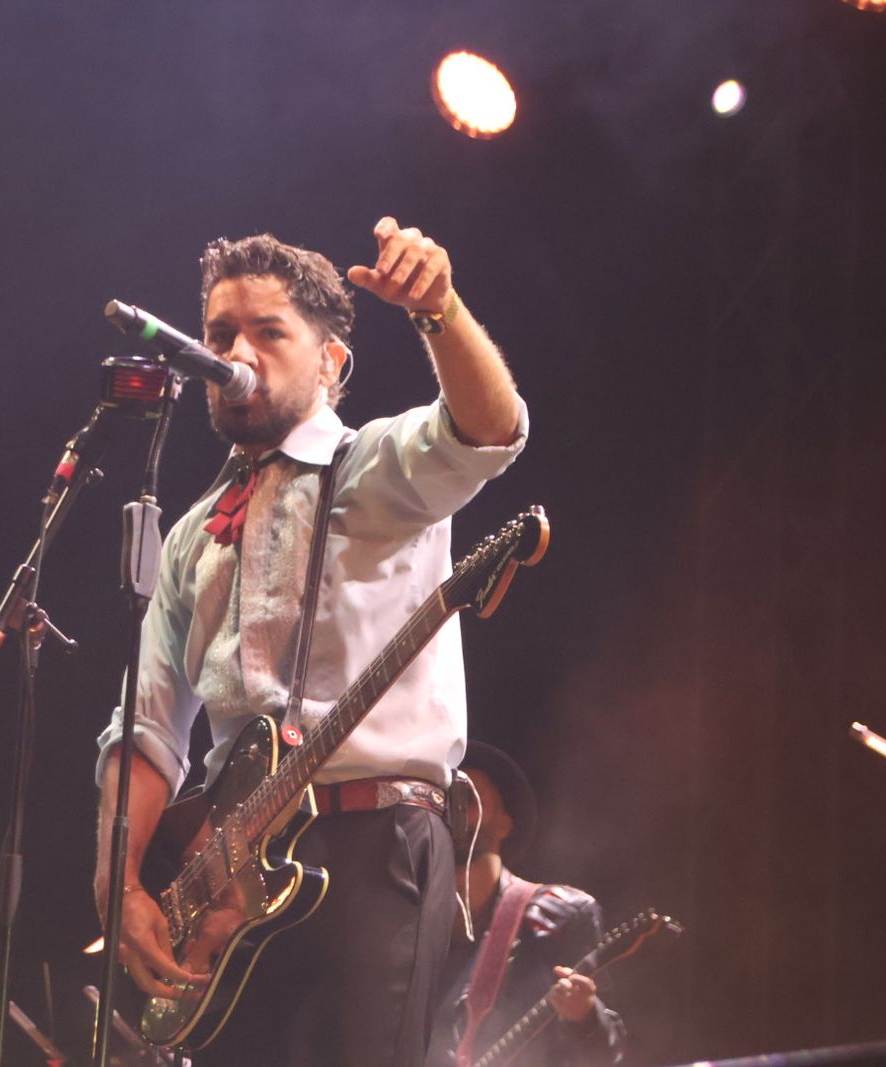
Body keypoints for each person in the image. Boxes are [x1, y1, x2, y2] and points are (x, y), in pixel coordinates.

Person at [92, 216, 528, 1067]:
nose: (237, 351)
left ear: (331, 362)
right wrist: (123, 882)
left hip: (373, 844)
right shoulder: (190, 538)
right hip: (227, 877)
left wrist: (438, 309)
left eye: (268, 332)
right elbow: (146, 725)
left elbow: (487, 430)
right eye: (220, 335)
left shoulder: (374, 468)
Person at [427, 741, 626, 1067]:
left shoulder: (561, 915)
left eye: (470, 799)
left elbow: (606, 1055)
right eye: (447, 800)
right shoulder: (409, 920)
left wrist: (584, 1017)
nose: (455, 810)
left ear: (505, 823)